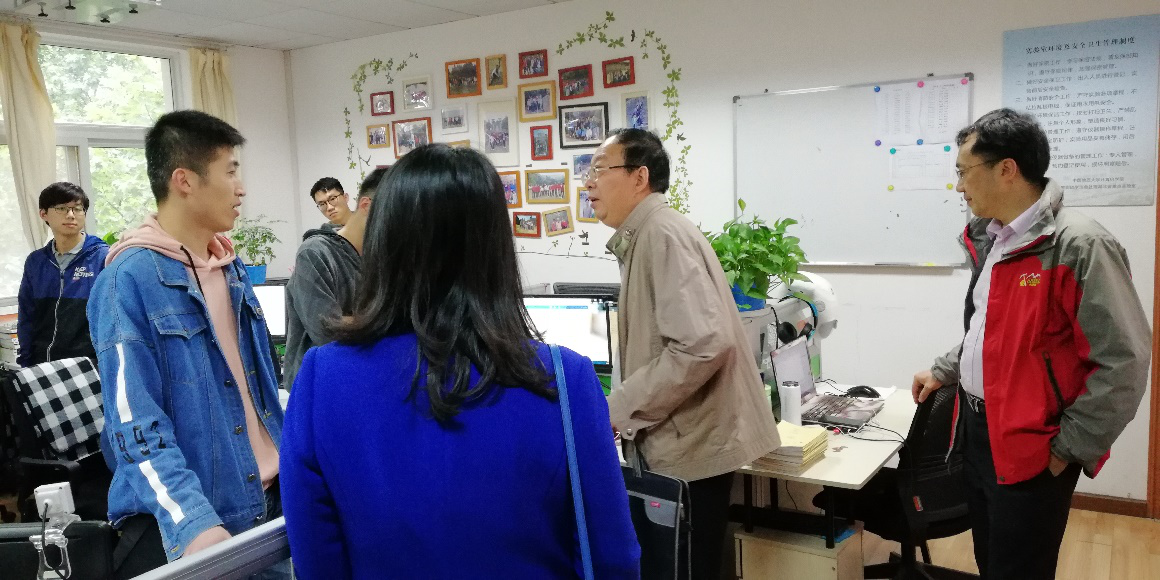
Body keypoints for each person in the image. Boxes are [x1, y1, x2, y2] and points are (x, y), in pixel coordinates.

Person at [280, 144, 639, 578]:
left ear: (383, 242)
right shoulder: (565, 379)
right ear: (496, 245)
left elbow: (317, 559)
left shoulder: (322, 379)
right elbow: (611, 557)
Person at [911, 108, 1150, 580]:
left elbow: (1125, 361)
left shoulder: (1079, 245)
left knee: (1020, 568)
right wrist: (944, 368)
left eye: (964, 172)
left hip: (1036, 444)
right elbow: (991, 332)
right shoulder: (993, 238)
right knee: (991, 559)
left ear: (1006, 169)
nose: (959, 186)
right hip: (977, 431)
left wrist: (1069, 448)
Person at [87, 110, 286, 574]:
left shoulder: (230, 268)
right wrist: (192, 520)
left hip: (276, 499)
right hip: (206, 521)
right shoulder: (127, 281)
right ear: (185, 181)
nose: (241, 188)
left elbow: (257, 392)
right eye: (230, 171)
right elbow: (134, 425)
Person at [584, 128, 780, 580]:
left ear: (639, 177)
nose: (589, 183)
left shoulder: (661, 235)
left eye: (599, 169)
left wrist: (620, 407)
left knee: (686, 568)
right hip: (686, 440)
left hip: (691, 447)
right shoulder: (649, 232)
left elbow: (702, 343)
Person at [283, 167, 386, 390]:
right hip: (320, 386)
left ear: (345, 197)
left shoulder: (379, 255)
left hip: (363, 379)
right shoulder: (315, 253)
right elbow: (326, 329)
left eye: (333, 199)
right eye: (322, 203)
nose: (329, 207)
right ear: (367, 206)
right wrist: (386, 320)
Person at [17, 182, 108, 367]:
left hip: (88, 366)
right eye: (62, 208)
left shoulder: (103, 257)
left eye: (78, 209)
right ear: (43, 214)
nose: (71, 215)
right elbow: (27, 315)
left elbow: (112, 318)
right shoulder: (36, 261)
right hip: (43, 365)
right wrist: (26, 361)